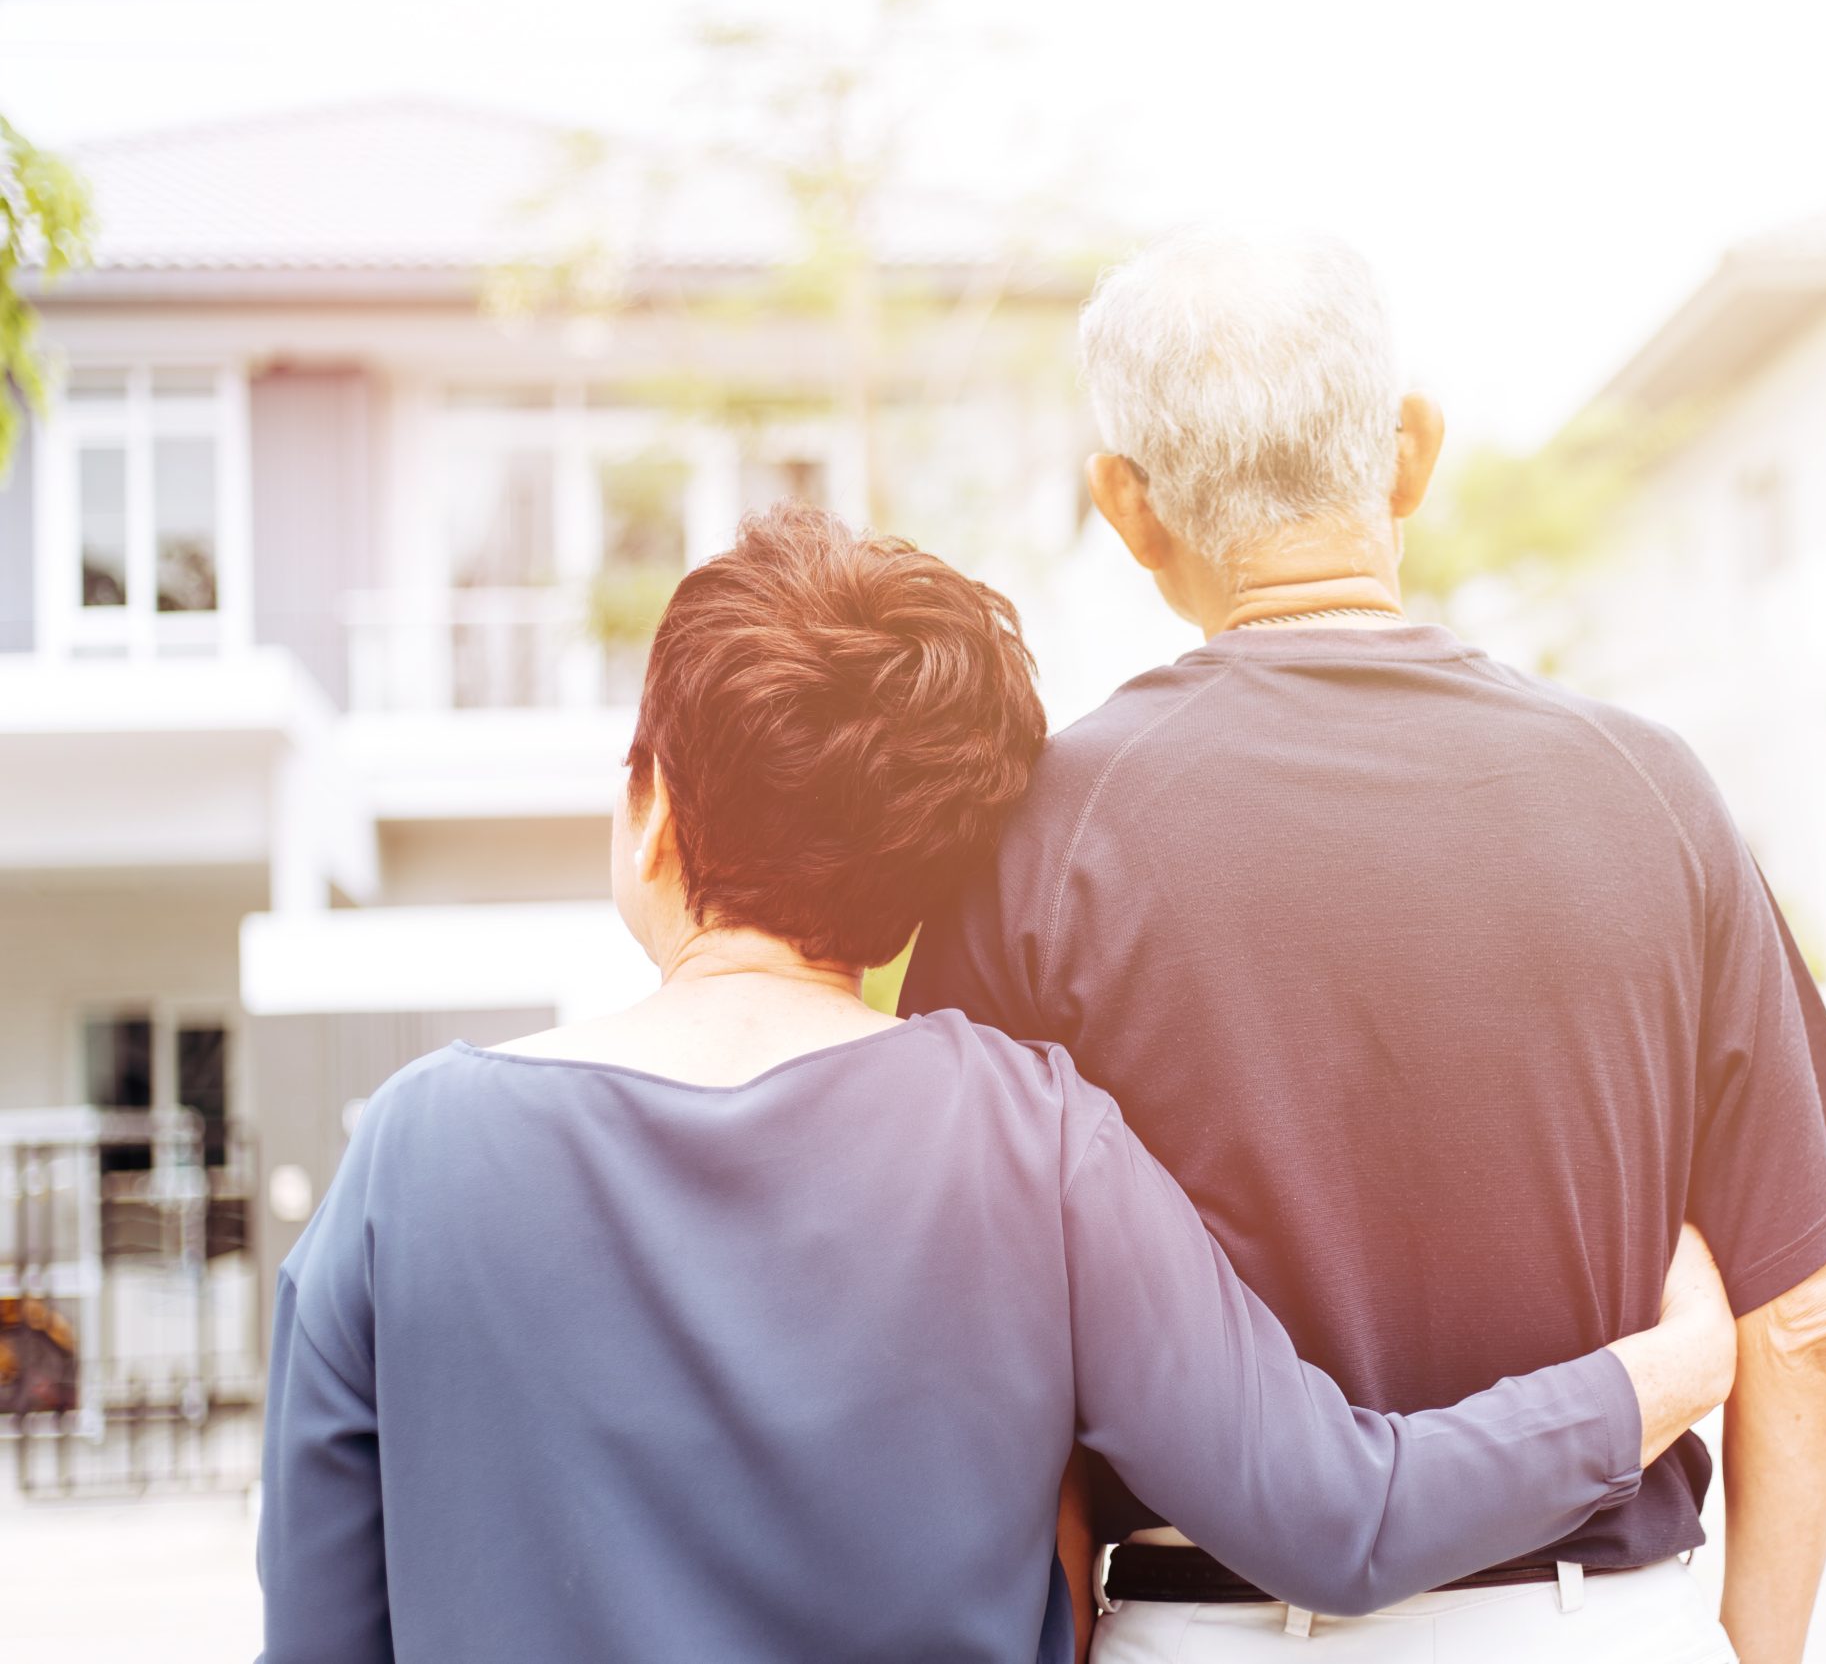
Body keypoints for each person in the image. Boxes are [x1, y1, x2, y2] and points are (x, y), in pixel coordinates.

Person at [254, 507, 1738, 1664]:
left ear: (651, 811)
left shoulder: (412, 1159)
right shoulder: (1033, 1141)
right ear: (920, 893)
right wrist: (1664, 1372)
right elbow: (1336, 1518)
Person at [903, 229, 1826, 1663]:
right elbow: (1802, 1327)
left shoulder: (1035, 840)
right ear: (1410, 452)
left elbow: (1000, 1383)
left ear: (1127, 508)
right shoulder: (1654, 792)